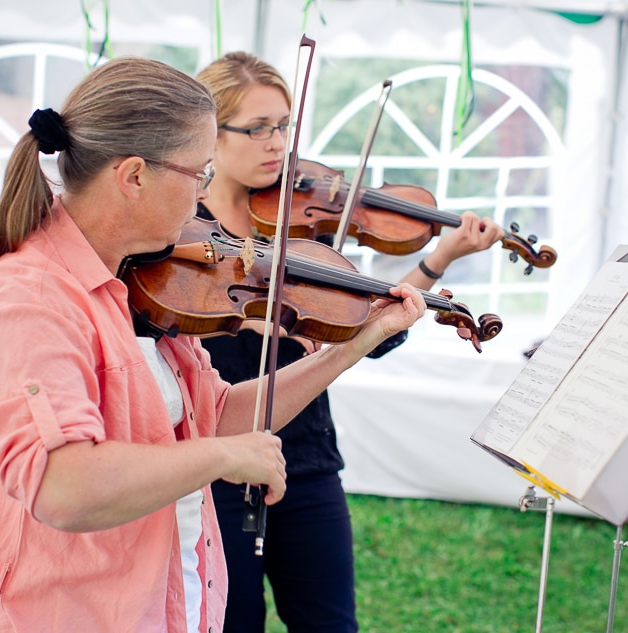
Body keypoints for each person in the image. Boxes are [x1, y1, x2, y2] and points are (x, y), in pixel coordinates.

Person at [0, 56, 425, 633]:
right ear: (134, 175)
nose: (203, 199)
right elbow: (61, 485)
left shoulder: (132, 285)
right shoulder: (29, 297)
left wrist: (353, 344)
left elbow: (216, 417)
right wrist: (222, 459)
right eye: (200, 174)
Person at [194, 51, 503, 633]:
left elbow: (365, 327)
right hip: (214, 473)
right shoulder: (181, 234)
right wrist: (235, 317)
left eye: (284, 126)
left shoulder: (299, 226)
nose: (276, 144)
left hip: (306, 462)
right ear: (210, 133)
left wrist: (438, 259)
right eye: (257, 128)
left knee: (332, 625)